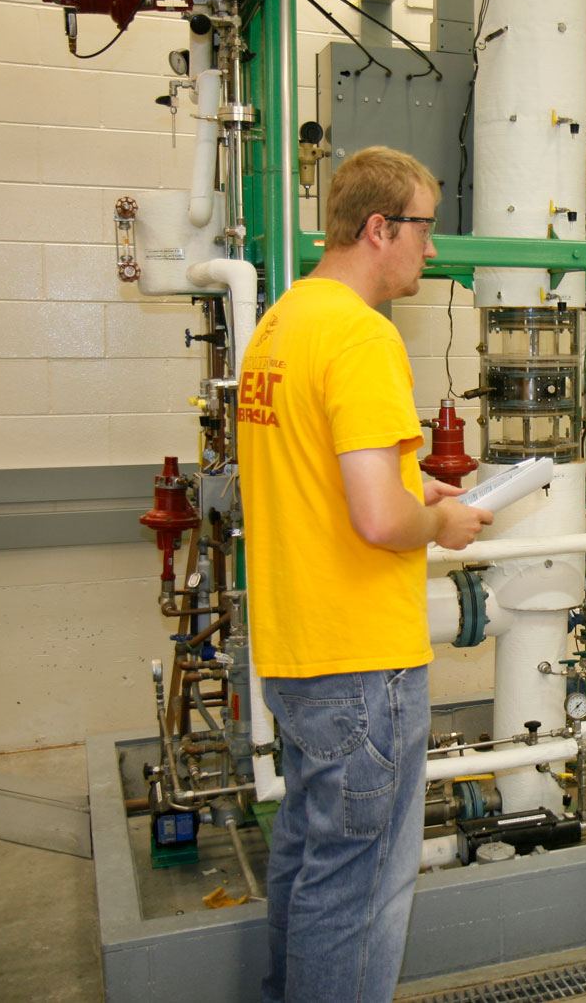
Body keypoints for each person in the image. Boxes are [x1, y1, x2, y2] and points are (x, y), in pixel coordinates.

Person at [237, 146, 492, 1003]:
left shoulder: (280, 324)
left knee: (311, 866)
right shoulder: (362, 334)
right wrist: (440, 519)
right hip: (359, 665)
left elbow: (321, 466)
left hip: (296, 649)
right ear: (379, 227)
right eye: (424, 228)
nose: (433, 249)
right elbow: (381, 521)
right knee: (360, 893)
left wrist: (408, 477)